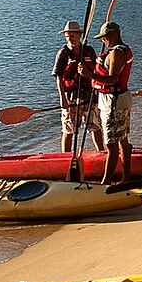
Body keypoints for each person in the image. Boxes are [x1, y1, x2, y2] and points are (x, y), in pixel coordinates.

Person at [91, 21, 134, 186]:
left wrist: (90, 75)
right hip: (118, 99)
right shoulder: (119, 50)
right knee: (122, 138)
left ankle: (106, 183)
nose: (103, 41)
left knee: (111, 143)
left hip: (114, 101)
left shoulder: (117, 53)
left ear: (114, 35)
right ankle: (126, 177)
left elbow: (112, 79)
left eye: (105, 37)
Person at [54, 19, 99, 171]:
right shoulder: (63, 53)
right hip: (71, 97)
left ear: (79, 35)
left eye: (73, 35)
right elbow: (58, 77)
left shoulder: (89, 50)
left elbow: (96, 71)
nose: (70, 38)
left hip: (89, 95)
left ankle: (101, 154)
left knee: (95, 127)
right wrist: (62, 98)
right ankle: (65, 159)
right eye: (67, 35)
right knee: (69, 129)